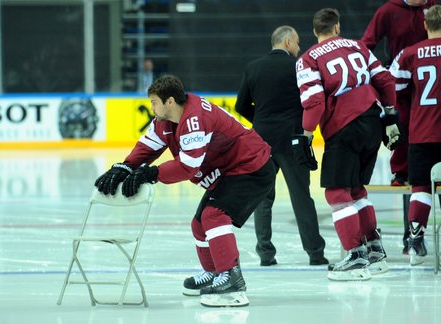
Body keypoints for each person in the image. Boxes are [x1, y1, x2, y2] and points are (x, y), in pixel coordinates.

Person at [94, 74, 276, 307]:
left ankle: (232, 281)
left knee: (214, 215)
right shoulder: (165, 121)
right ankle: (214, 272)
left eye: (154, 102)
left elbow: (188, 166)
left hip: (251, 166)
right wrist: (125, 166)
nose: (151, 107)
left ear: (169, 102)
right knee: (199, 224)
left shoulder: (193, 119)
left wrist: (151, 174)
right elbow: (147, 147)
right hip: (230, 170)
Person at [295, 8, 399, 281]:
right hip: (372, 120)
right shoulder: (358, 46)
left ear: (315, 31)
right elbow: (385, 79)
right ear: (337, 28)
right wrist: (390, 115)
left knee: (337, 193)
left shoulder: (307, 59)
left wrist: (305, 137)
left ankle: (355, 255)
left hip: (343, 125)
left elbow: (315, 101)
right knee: (357, 190)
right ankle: (375, 251)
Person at [360, 0, 441, 255]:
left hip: (425, 91)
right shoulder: (388, 11)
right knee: (406, 133)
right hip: (415, 87)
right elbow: (367, 44)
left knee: (425, 178)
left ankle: (434, 238)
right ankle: (400, 172)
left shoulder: (429, 14)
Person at [235, 25, 328, 267]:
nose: (299, 48)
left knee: (264, 198)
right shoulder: (300, 67)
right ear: (287, 42)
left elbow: (240, 105)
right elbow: (311, 101)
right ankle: (315, 253)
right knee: (301, 197)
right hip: (293, 139)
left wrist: (260, 121)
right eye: (297, 43)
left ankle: (266, 254)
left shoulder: (253, 67)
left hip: (262, 140)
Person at [389, 4, 441, 266]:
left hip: (423, 133)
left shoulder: (410, 54)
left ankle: (415, 242)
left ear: (425, 25)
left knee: (420, 188)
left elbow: (394, 90)